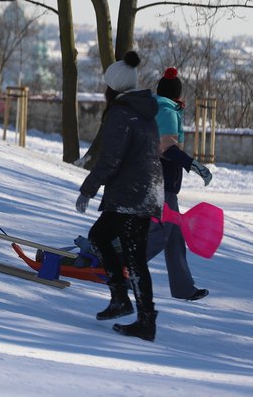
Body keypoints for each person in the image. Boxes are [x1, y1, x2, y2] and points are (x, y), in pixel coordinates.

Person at [75, 51, 164, 342]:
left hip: (131, 195)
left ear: (112, 86)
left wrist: (88, 189)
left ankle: (135, 311)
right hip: (145, 190)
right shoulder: (144, 109)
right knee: (110, 241)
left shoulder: (121, 112)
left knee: (118, 247)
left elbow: (111, 158)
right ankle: (127, 304)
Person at [146, 67, 212, 301]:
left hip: (163, 183)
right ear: (176, 93)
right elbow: (167, 148)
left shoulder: (161, 107)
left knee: (174, 238)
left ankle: (184, 288)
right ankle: (123, 266)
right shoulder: (166, 110)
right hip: (163, 184)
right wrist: (193, 164)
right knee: (161, 234)